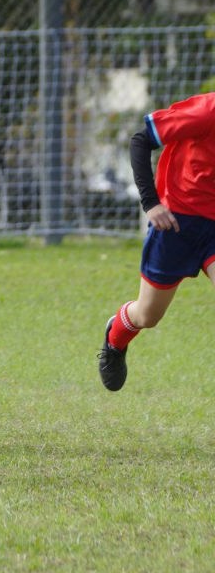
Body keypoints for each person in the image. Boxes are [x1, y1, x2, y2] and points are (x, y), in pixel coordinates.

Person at [97, 92, 215, 391]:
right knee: (147, 315)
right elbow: (140, 140)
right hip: (177, 224)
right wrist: (151, 203)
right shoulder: (205, 111)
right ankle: (115, 338)